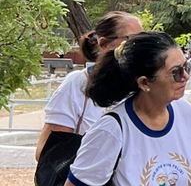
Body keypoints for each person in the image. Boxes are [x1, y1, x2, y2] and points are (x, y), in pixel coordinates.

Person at [59, 32, 191, 186]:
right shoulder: (113, 129)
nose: (185, 77)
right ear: (145, 83)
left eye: (186, 66)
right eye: (175, 72)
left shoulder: (186, 114)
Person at [35, 10, 144, 159]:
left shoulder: (143, 87)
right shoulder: (77, 84)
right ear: (104, 44)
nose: (140, 47)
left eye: (144, 39)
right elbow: (48, 152)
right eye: (131, 40)